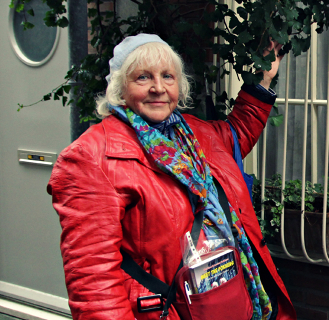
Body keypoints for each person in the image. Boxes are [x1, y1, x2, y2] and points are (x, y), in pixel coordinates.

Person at [47, 33, 295, 320]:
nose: (158, 88)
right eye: (142, 77)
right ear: (119, 87)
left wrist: (262, 81)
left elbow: (234, 138)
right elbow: (95, 285)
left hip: (231, 301)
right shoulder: (90, 157)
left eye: (168, 76)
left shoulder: (193, 133)